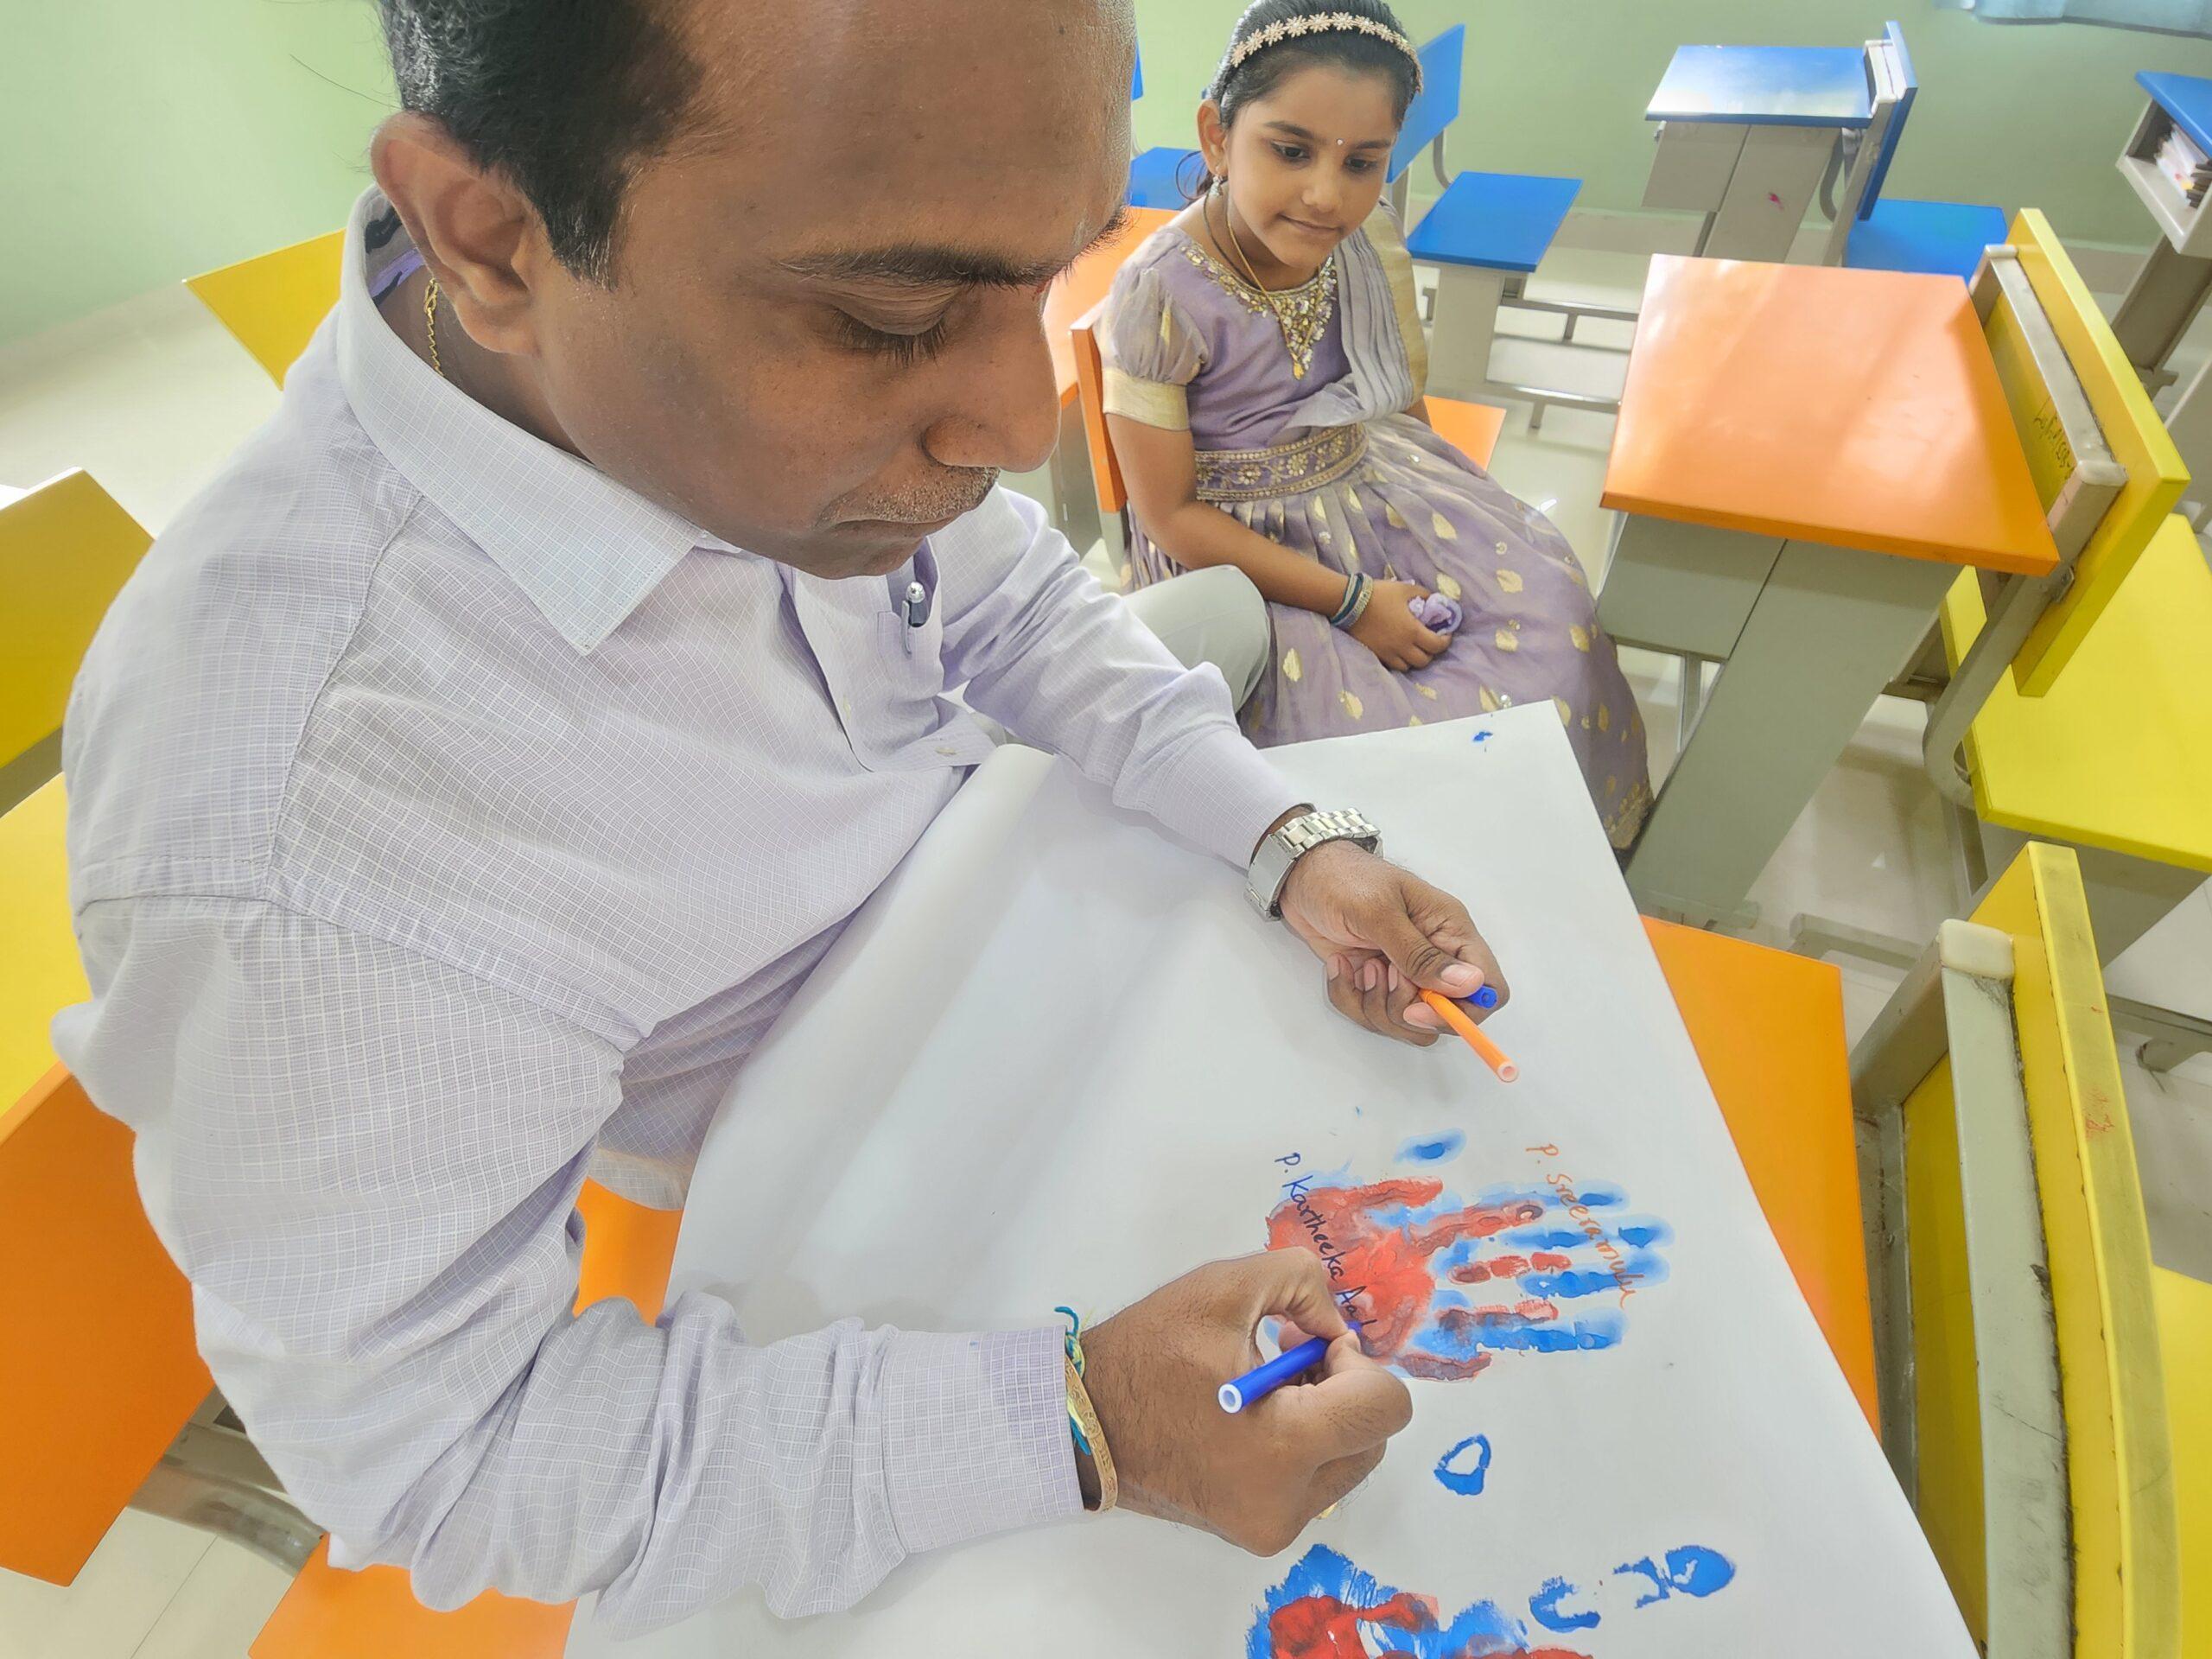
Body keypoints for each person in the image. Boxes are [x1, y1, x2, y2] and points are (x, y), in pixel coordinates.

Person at [53, 0, 1521, 1637]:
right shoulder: (308, 835)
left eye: (1050, 274)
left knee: (1218, 637)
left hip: (993, 921)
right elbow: (445, 1458)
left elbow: (1014, 601)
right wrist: (1080, 1424)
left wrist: (1289, 840)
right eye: (891, 317)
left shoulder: (729, 381)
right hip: (842, 1156)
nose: (1020, 427)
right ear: (489, 238)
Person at [1100, 0, 1651, 848]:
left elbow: (1398, 400)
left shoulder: (1363, 241)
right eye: (1290, 151)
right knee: (1377, 741)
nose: (1327, 195)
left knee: (1553, 626)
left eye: (1362, 162)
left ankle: (1543, 862)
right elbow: (1169, 514)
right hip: (1235, 555)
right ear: (1216, 136)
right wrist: (1355, 603)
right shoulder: (1160, 291)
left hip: (1368, 479)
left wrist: (1458, 517)